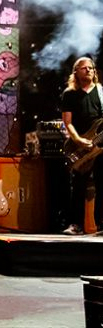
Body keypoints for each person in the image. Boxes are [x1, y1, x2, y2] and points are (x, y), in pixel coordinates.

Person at [60, 56, 103, 235]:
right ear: (76, 71)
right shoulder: (69, 94)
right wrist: (78, 140)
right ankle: (75, 225)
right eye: (84, 68)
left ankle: (100, 224)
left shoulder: (101, 92)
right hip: (79, 145)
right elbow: (67, 122)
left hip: (100, 145)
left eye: (91, 68)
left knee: (102, 182)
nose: (89, 70)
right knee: (78, 186)